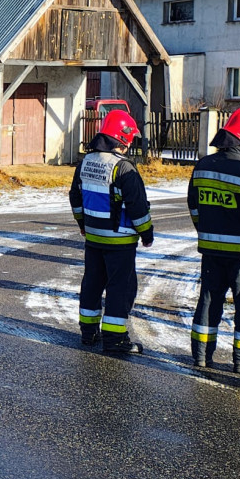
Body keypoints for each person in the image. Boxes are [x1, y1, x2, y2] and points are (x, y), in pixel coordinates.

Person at [188, 107, 240, 373]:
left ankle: (201, 355)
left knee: (209, 301)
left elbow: (194, 207)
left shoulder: (202, 165)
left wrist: (207, 230)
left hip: (211, 248)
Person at [69, 109, 154, 354]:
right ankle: (115, 341)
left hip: (94, 238)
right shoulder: (124, 168)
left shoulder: (85, 162)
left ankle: (88, 333)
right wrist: (147, 234)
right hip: (120, 241)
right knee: (120, 289)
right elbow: (138, 208)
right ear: (122, 138)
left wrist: (82, 224)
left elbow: (75, 197)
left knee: (92, 284)